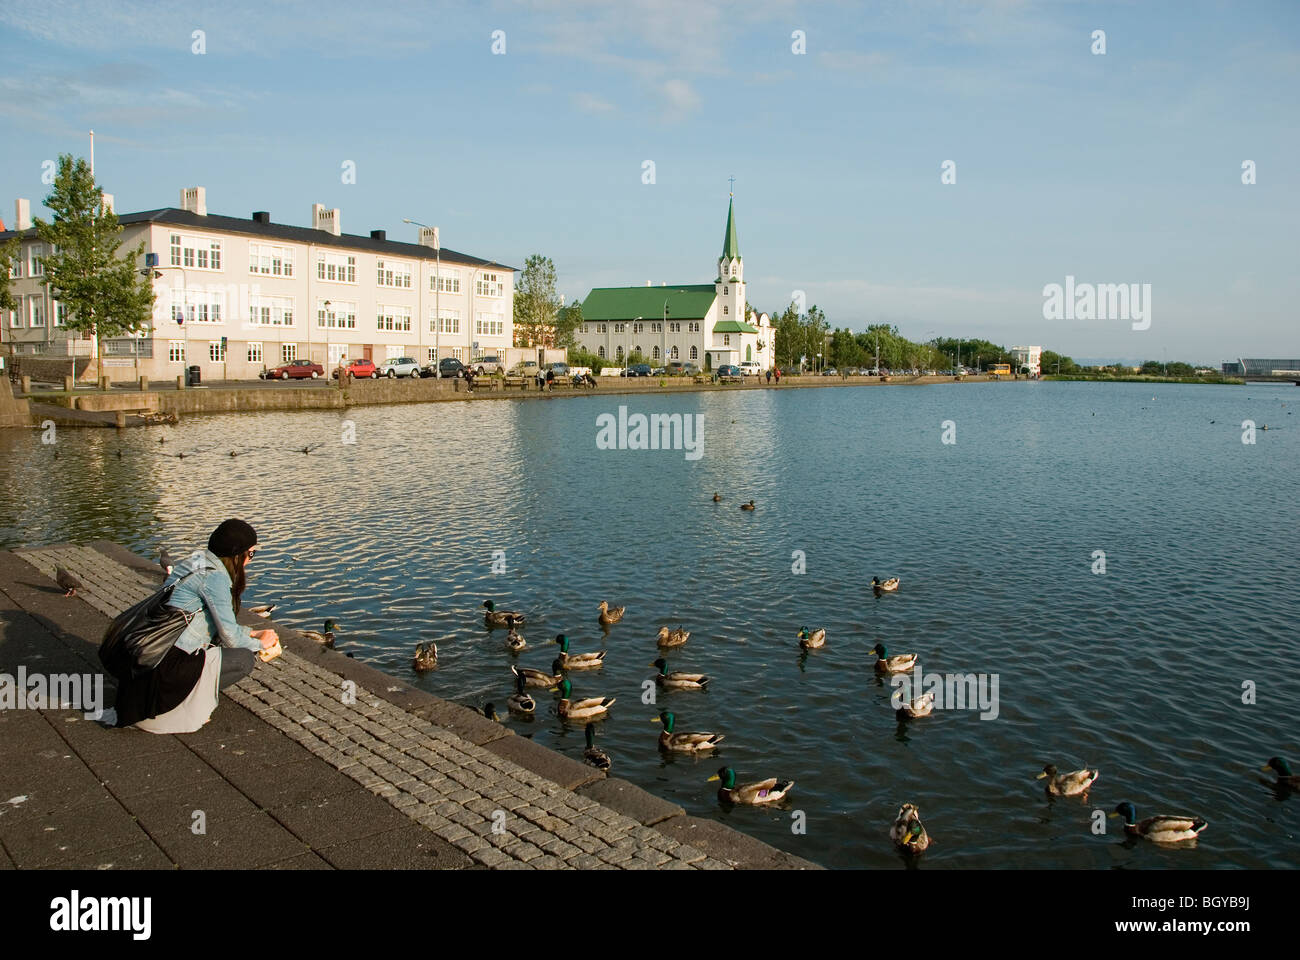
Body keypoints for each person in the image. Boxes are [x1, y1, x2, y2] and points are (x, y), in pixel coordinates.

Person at [113, 519, 278, 733]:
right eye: (251, 554)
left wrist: (253, 632)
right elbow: (231, 638)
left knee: (233, 646)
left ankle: (181, 698)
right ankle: (179, 707)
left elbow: (216, 624)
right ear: (237, 555)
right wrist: (261, 643)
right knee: (244, 658)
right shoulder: (215, 577)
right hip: (169, 665)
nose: (250, 561)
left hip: (152, 656)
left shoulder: (196, 562)